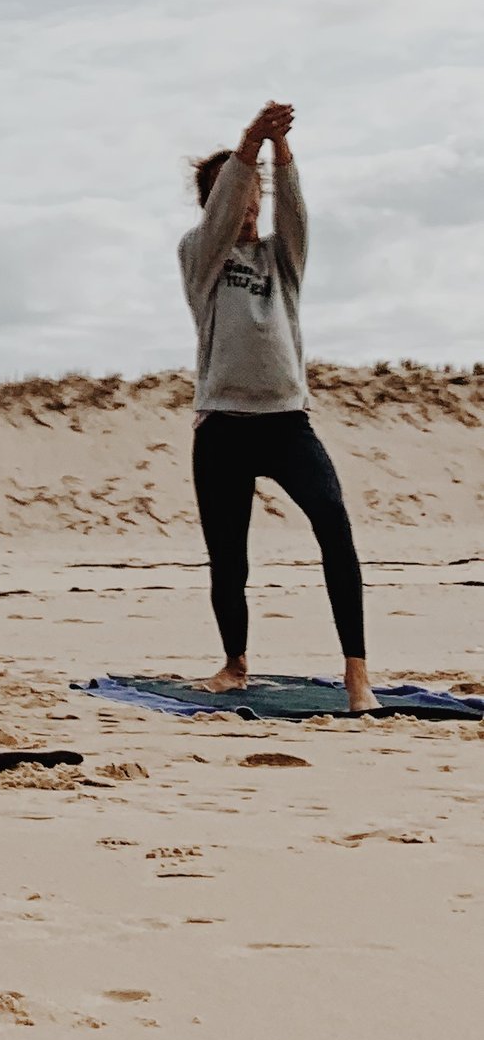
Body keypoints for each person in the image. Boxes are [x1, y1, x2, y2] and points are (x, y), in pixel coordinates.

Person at [181, 101, 372, 712]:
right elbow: (220, 213)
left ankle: (356, 675)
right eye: (236, 196)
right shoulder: (201, 258)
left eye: (255, 196)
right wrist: (246, 145)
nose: (248, 207)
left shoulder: (280, 260)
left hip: (288, 424)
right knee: (228, 557)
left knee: (335, 530)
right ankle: (235, 664)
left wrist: (279, 154)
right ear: (216, 205)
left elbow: (296, 214)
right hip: (223, 428)